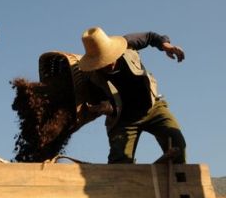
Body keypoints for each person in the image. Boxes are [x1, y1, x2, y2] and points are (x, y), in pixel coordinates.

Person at [77, 27, 186, 163]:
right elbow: (98, 103)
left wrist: (166, 45)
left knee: (177, 144)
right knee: (119, 163)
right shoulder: (92, 78)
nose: (108, 63)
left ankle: (179, 182)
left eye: (109, 56)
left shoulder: (127, 44)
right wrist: (105, 108)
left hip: (152, 107)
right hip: (123, 120)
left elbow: (150, 36)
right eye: (102, 61)